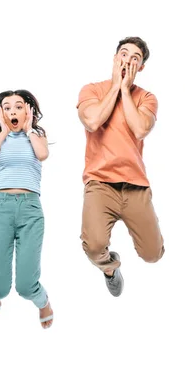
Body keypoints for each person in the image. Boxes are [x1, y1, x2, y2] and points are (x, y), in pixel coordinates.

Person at [77, 36, 164, 297]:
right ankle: (110, 268)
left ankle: (147, 229)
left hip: (135, 186)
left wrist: (125, 90)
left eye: (135, 58)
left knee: (153, 255)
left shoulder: (146, 97)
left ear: (141, 67)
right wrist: (115, 86)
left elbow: (140, 129)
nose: (128, 60)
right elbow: (92, 122)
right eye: (124, 54)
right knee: (94, 247)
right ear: (115, 58)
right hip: (100, 183)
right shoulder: (91, 90)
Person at [0, 89, 53, 329]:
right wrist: (2, 132)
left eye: (19, 106)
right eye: (7, 107)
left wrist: (30, 129)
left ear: (27, 111)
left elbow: (42, 154)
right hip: (0, 208)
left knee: (25, 285)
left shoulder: (36, 136)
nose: (13, 110)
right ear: (1, 113)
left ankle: (43, 302)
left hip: (30, 210)